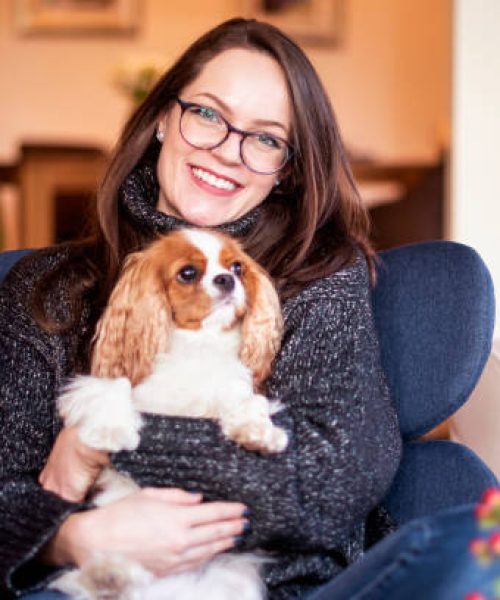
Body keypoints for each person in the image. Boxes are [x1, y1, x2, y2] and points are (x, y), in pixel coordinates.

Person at [0, 17, 492, 600]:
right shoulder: (50, 286)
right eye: (207, 113)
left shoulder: (321, 277)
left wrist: (93, 444)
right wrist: (74, 539)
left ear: (285, 169)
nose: (227, 152)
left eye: (264, 138)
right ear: (163, 117)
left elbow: (336, 479)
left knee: (478, 540)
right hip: (88, 588)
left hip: (283, 591)